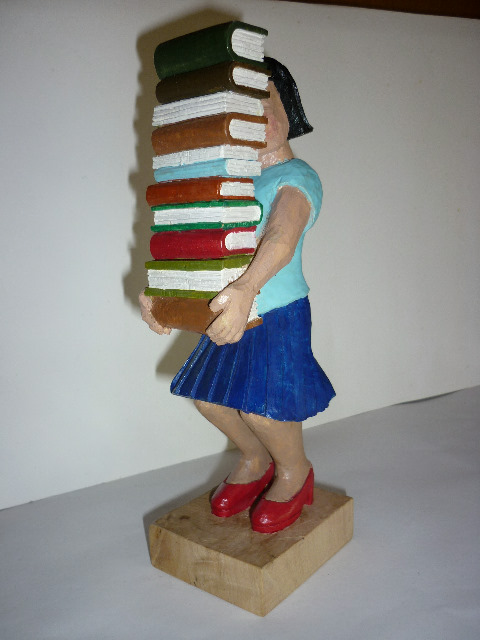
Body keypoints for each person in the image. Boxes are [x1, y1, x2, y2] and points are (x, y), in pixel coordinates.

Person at [139, 58, 335, 533]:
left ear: (287, 105)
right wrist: (163, 294)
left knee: (262, 409)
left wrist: (247, 287)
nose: (258, 117)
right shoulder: (231, 182)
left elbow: (281, 238)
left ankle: (294, 470)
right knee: (211, 400)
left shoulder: (296, 176)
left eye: (265, 101)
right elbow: (198, 242)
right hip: (230, 313)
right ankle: (254, 459)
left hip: (276, 311)